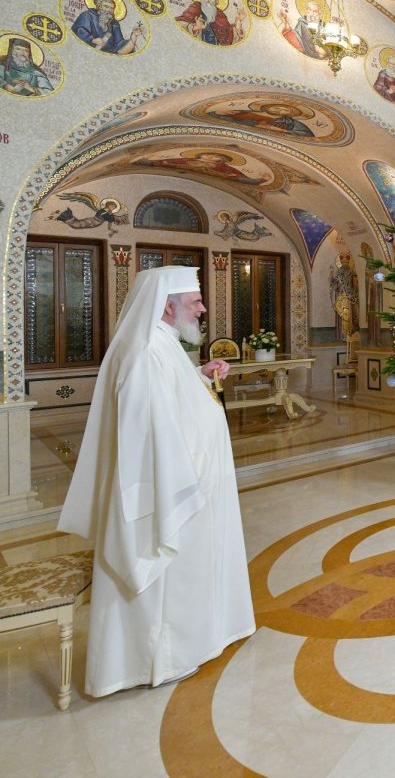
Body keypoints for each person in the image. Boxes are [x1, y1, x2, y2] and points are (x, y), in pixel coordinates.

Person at [58, 266, 255, 696]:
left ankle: (192, 642)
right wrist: (186, 476)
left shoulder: (161, 343)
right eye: (195, 302)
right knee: (167, 578)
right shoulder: (145, 351)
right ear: (168, 306)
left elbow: (172, 399)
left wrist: (201, 375)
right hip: (166, 490)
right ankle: (163, 658)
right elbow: (149, 432)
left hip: (187, 481)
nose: (202, 309)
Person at [175, 0, 247, 46]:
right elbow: (180, 24)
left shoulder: (220, 14)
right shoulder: (195, 7)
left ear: (215, 2)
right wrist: (195, 27)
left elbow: (229, 35)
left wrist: (238, 21)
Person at [71, 0, 145, 55]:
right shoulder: (87, 15)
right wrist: (93, 40)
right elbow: (78, 31)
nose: (109, 10)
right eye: (106, 6)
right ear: (98, 6)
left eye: (112, 8)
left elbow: (119, 44)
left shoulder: (114, 23)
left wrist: (134, 36)